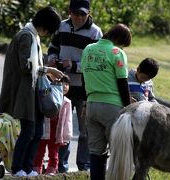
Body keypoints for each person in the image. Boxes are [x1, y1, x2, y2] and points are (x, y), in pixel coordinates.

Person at [0, 6, 63, 177]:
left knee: (37, 133)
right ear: (45, 26)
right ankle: (18, 167)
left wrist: (46, 71)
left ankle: (28, 168)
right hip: (23, 93)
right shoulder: (26, 36)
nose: (49, 34)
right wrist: (48, 70)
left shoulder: (33, 36)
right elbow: (26, 66)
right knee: (28, 132)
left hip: (33, 93)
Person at [47, 0, 102, 172]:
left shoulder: (95, 33)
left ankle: (83, 166)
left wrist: (74, 65)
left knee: (85, 130)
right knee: (63, 128)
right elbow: (53, 47)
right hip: (62, 85)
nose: (79, 17)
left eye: (83, 14)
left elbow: (97, 62)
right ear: (69, 12)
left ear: (89, 13)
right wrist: (52, 60)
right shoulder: (61, 26)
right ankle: (61, 166)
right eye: (75, 13)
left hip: (85, 88)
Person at [81, 23, 132, 180]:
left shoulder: (88, 49)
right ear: (118, 40)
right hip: (112, 107)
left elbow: (84, 79)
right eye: (122, 44)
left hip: (91, 105)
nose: (122, 47)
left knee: (96, 152)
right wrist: (129, 107)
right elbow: (123, 83)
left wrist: (85, 103)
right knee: (119, 152)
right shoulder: (117, 52)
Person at [34, 75, 72, 175]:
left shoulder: (67, 102)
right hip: (44, 129)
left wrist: (66, 135)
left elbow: (68, 121)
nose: (64, 86)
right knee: (39, 151)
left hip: (56, 132)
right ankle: (37, 167)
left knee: (54, 152)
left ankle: (52, 168)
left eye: (67, 84)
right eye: (61, 84)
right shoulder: (48, 97)